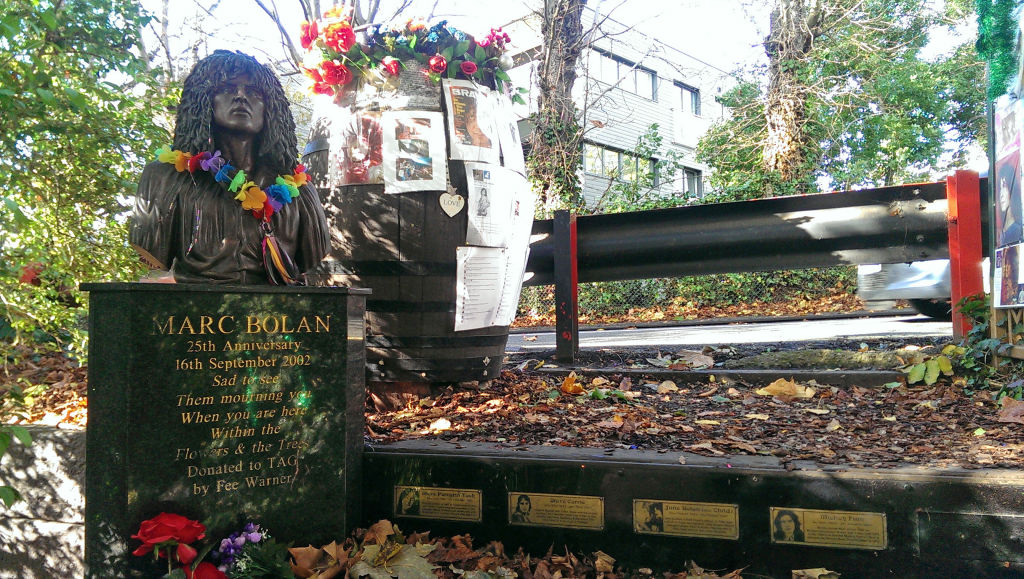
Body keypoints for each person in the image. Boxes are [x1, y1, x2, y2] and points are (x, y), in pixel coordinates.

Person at [130, 50, 330, 284]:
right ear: (203, 101)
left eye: (254, 92)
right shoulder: (164, 178)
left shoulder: (300, 191)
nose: (240, 97)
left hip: (278, 316)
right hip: (194, 312)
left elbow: (312, 259)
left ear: (271, 109)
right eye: (226, 89)